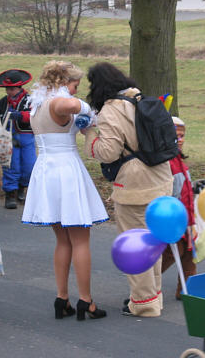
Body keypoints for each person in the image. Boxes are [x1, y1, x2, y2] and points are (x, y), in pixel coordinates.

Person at [83, 62, 173, 317]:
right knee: (154, 241)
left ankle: (144, 303)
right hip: (161, 177)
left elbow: (108, 152)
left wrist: (89, 134)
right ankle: (153, 296)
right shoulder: (139, 98)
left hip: (135, 185)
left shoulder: (111, 110)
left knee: (136, 244)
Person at [22, 61, 108, 321]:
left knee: (62, 240)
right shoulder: (57, 102)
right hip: (65, 170)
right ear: (62, 83)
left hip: (46, 169)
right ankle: (85, 299)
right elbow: (68, 105)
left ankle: (62, 298)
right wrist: (88, 109)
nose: (75, 91)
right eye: (74, 85)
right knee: (80, 239)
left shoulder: (37, 105)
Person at [161, 116, 197, 300]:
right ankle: (145, 282)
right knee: (172, 252)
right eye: (176, 136)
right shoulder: (165, 161)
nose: (180, 140)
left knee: (190, 253)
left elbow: (185, 189)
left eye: (182, 136)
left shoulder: (180, 160)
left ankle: (186, 291)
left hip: (187, 216)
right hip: (173, 218)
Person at [0, 70, 36, 210]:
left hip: (27, 137)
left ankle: (22, 187)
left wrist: (21, 116)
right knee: (11, 166)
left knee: (29, 166)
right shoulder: (3, 102)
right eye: (7, 89)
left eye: (12, 89)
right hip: (8, 137)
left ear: (19, 87)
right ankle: (10, 194)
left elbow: (35, 116)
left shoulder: (31, 100)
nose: (8, 92)